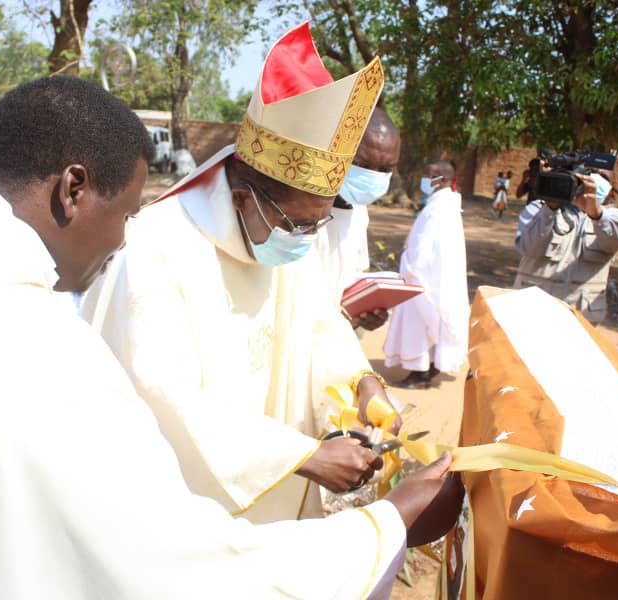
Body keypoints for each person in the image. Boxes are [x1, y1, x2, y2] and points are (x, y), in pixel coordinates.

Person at [0, 75, 463, 600]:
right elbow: (176, 565)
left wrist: (360, 382)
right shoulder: (49, 343)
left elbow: (319, 322)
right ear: (72, 189)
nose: (124, 236)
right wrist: (387, 522)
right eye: (123, 211)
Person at [81, 23, 404, 524]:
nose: (305, 237)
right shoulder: (158, 247)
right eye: (297, 223)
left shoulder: (285, 238)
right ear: (240, 197)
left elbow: (319, 323)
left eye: (320, 224)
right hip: (189, 518)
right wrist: (300, 457)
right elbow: (163, 396)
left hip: (278, 500)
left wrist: (362, 382)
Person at [383, 161, 469, 389]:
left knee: (418, 325)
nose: (423, 178)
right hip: (432, 276)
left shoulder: (440, 209)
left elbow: (424, 245)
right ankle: (429, 366)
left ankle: (418, 374)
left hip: (423, 277)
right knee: (427, 325)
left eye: (427, 175)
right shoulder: (443, 206)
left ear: (440, 180)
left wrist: (412, 270)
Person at [513, 169, 618, 325]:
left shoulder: (616, 218)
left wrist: (596, 214)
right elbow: (528, 248)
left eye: (603, 177)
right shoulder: (537, 209)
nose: (593, 180)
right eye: (589, 173)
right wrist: (550, 208)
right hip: (531, 314)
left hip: (581, 320)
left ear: (611, 185)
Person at [317, 107, 401, 332]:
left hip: (332, 345)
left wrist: (364, 314)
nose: (373, 176)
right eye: (363, 165)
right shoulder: (292, 213)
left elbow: (351, 278)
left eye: (385, 169)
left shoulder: (359, 211)